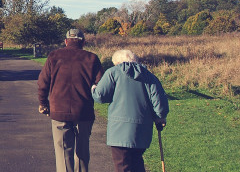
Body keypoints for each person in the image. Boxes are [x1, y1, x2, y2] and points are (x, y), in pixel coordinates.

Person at [37, 28, 104, 172]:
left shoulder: (54, 56)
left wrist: (43, 103)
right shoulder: (92, 58)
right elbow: (101, 85)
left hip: (59, 111)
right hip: (83, 112)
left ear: (66, 41)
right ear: (83, 42)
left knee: (62, 153)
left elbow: (42, 82)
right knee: (82, 152)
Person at [92, 49, 169, 172]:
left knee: (123, 165)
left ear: (117, 62)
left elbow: (100, 96)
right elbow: (160, 104)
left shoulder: (113, 72)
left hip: (119, 130)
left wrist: (94, 88)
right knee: (137, 162)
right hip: (142, 130)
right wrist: (160, 117)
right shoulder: (149, 76)